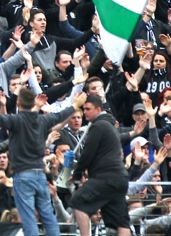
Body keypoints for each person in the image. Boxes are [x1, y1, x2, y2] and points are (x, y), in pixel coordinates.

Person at [0, 90, 87, 236]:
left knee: (28, 218)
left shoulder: (16, 120)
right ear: (34, 104)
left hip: (23, 176)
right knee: (48, 216)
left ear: (18, 103)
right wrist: (74, 105)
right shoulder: (42, 120)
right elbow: (59, 116)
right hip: (40, 175)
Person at [71, 95, 130, 236]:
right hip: (120, 179)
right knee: (121, 221)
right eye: (83, 109)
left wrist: (77, 175)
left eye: (88, 109)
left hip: (106, 177)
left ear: (98, 109)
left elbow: (87, 154)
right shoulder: (109, 126)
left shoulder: (98, 126)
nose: (84, 112)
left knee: (77, 201)